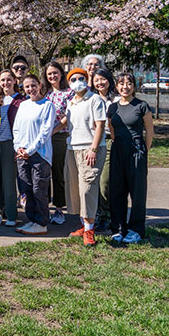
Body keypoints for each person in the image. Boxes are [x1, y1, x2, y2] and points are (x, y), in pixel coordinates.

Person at [107, 72, 154, 244]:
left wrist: (143, 152)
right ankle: (118, 228)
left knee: (137, 191)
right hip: (118, 150)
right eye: (121, 83)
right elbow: (112, 131)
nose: (125, 86)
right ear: (116, 86)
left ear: (134, 86)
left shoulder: (142, 106)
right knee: (117, 191)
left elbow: (149, 132)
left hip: (136, 150)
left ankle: (136, 229)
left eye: (128, 83)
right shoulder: (112, 107)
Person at [64, 67, 107, 247]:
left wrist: (93, 149)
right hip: (72, 148)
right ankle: (83, 224)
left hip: (89, 150)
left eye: (80, 78)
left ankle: (90, 229)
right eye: (73, 79)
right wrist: (48, 132)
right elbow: (65, 122)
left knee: (88, 188)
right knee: (75, 187)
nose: (77, 82)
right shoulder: (71, 102)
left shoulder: (95, 99)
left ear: (87, 80)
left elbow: (100, 125)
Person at [13, 74, 56, 235]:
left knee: (39, 190)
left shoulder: (47, 105)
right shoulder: (23, 105)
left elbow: (45, 133)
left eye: (33, 85)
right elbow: (16, 129)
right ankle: (31, 220)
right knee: (26, 188)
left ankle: (42, 222)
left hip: (40, 155)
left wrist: (30, 150)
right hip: (22, 153)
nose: (30, 89)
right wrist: (18, 148)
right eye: (27, 87)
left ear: (39, 85)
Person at [0, 69, 25, 227]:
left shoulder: (21, 101)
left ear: (15, 81)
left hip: (10, 143)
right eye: (2, 80)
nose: (5, 83)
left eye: (8, 80)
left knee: (9, 180)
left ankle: (11, 214)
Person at [42, 60, 73, 225]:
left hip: (60, 136)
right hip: (44, 139)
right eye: (49, 74)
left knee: (58, 173)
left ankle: (59, 208)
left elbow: (69, 116)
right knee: (44, 172)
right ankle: (44, 206)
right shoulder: (45, 94)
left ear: (61, 73)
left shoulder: (69, 93)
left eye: (55, 73)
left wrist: (53, 130)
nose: (53, 76)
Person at [92, 68, 117, 232]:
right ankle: (95, 213)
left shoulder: (115, 99)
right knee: (93, 180)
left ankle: (106, 216)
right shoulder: (91, 98)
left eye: (103, 79)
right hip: (92, 142)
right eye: (96, 80)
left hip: (109, 141)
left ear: (109, 79)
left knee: (105, 182)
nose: (100, 83)